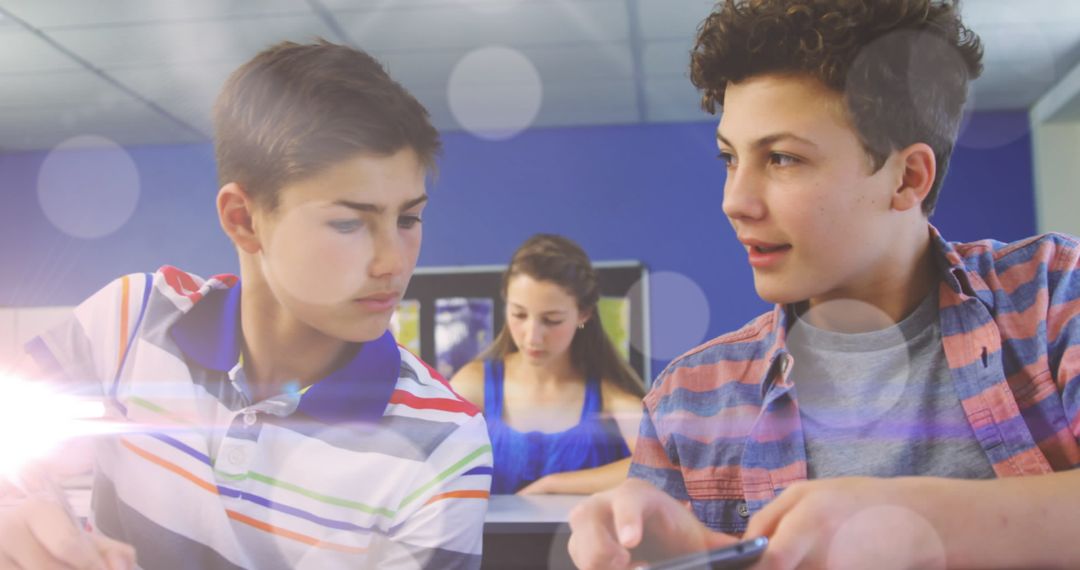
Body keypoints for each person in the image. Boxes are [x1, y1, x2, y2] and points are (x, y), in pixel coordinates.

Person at [567, 1, 1080, 569]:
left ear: (907, 178)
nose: (734, 201)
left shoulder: (1054, 296)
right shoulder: (687, 400)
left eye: (782, 158)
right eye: (729, 158)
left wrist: (905, 525)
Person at [0, 40, 492, 570]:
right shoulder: (132, 318)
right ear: (243, 219)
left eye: (408, 219)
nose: (393, 262)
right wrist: (18, 504)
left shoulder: (445, 443)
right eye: (349, 222)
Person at [450, 234, 645, 495]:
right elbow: (421, 466)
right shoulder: (474, 385)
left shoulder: (610, 396)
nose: (532, 337)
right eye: (519, 314)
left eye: (552, 320)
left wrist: (554, 485)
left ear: (583, 314)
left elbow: (663, 466)